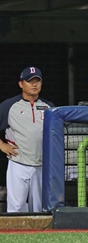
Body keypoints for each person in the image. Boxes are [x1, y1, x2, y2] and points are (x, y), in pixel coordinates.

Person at [0, 67, 54, 213]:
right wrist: (2, 146)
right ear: (21, 84)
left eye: (37, 81)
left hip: (41, 164)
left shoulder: (50, 107)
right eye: (30, 81)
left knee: (38, 209)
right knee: (16, 207)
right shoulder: (9, 105)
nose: (34, 84)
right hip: (18, 163)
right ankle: (13, 236)